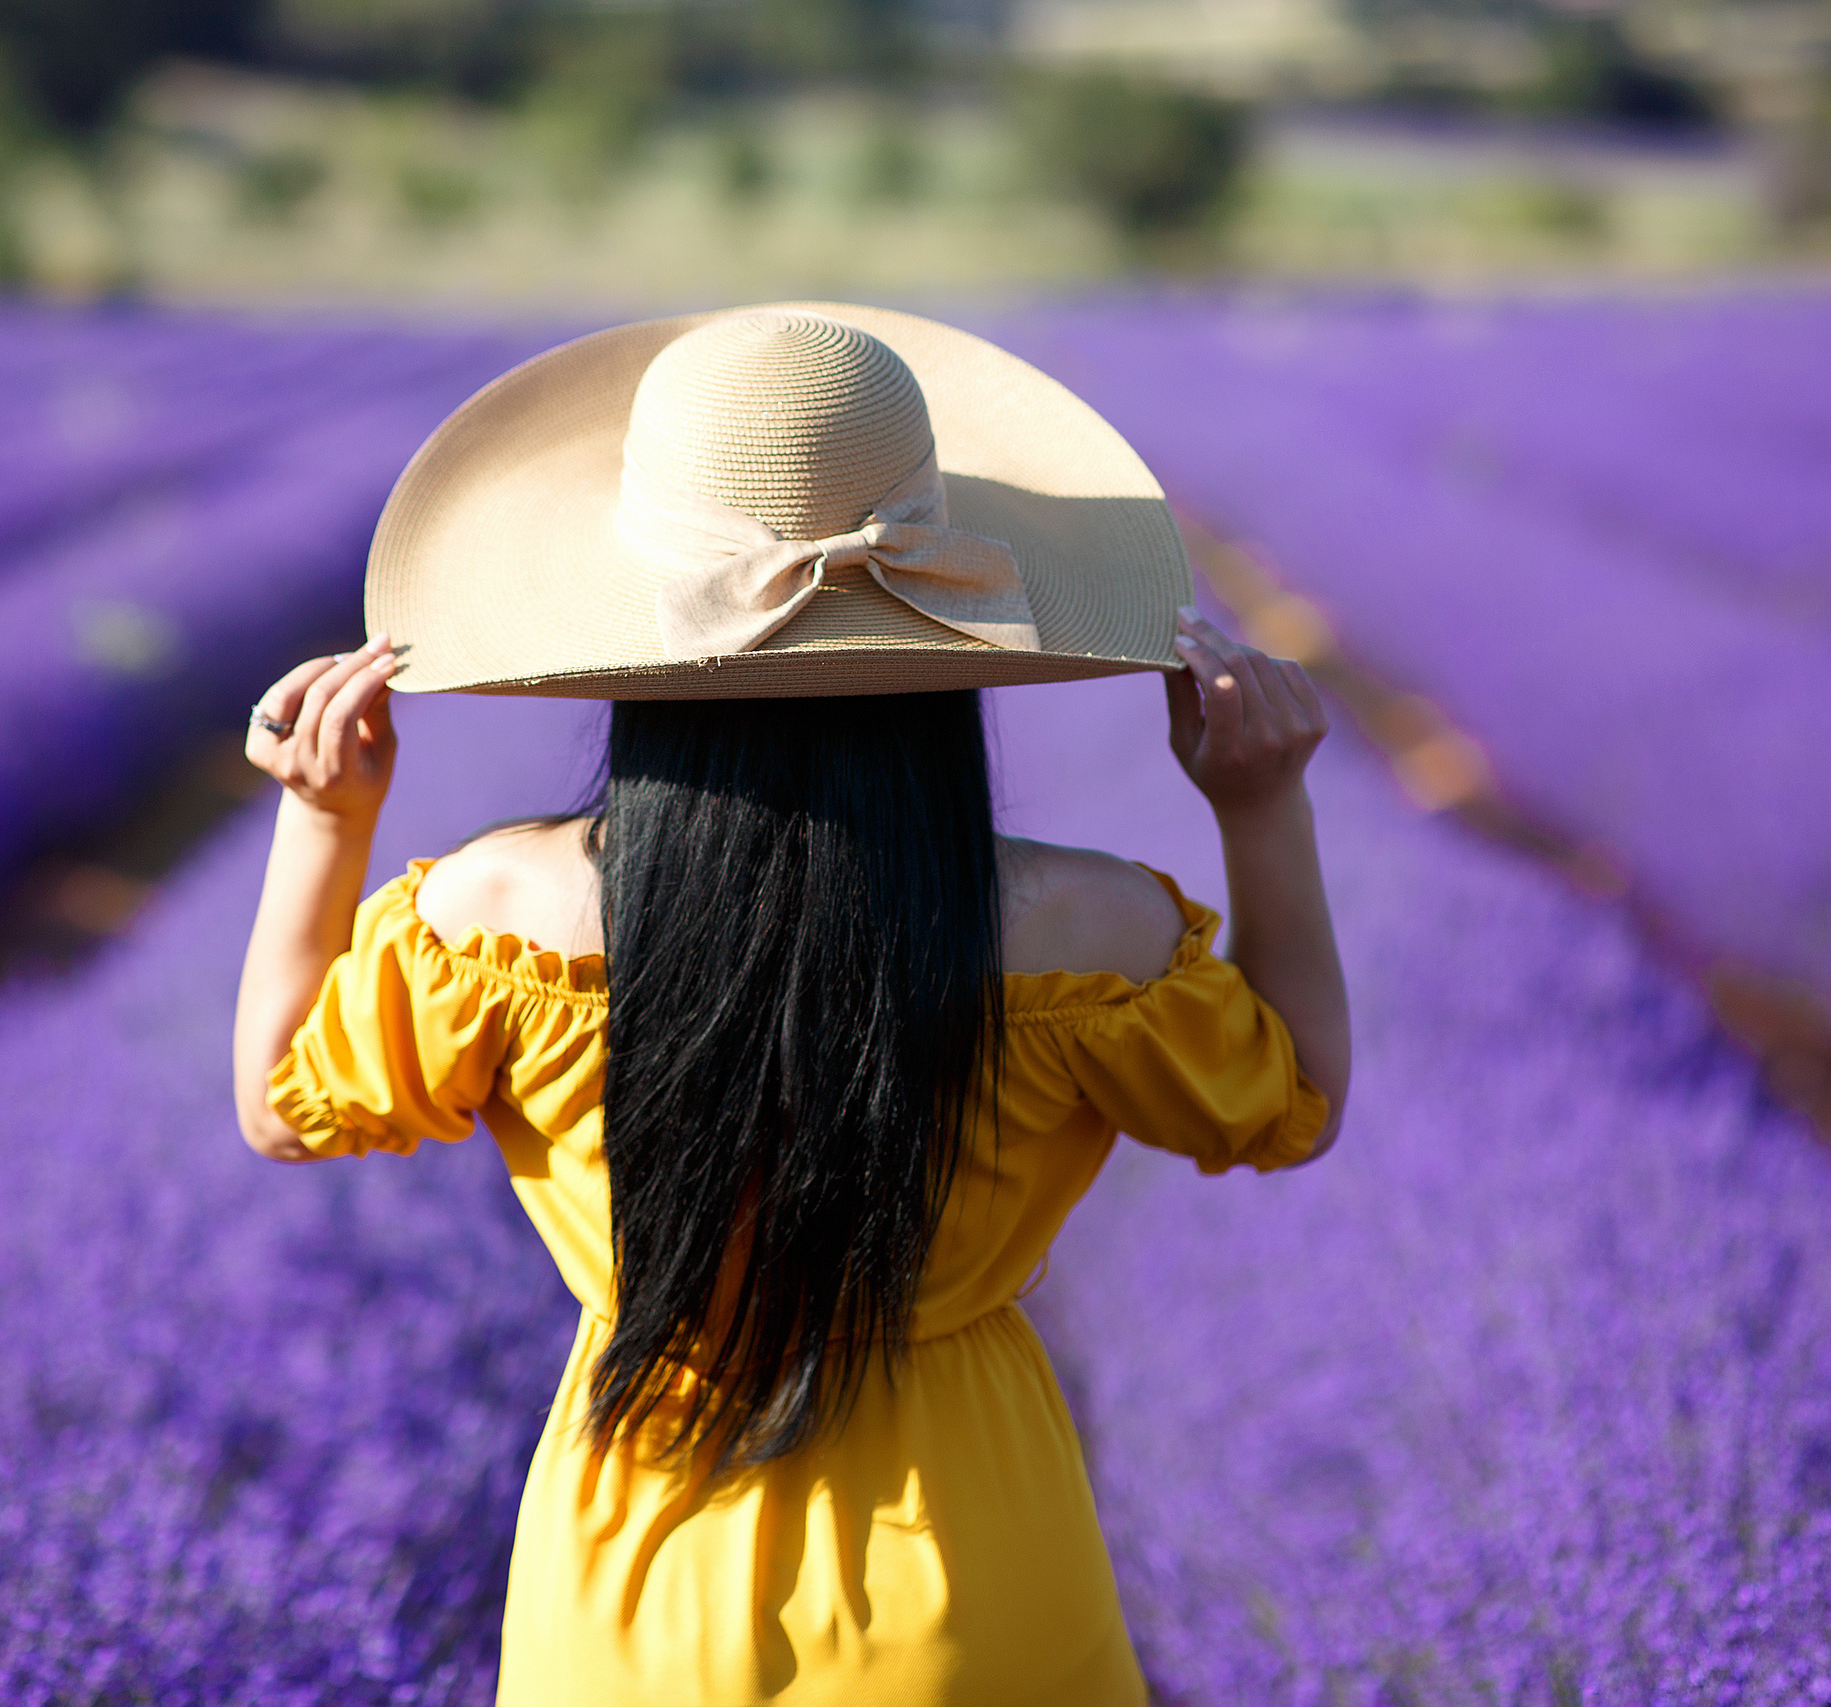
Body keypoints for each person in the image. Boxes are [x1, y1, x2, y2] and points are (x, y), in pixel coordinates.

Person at [231, 306, 1349, 1706]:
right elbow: (1293, 1102)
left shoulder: (494, 918)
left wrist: (326, 822)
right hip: (978, 1574)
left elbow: (283, 1106)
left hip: (631, 1589)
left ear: (631, 647)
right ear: (949, 659)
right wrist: (1263, 805)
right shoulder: (1088, 932)